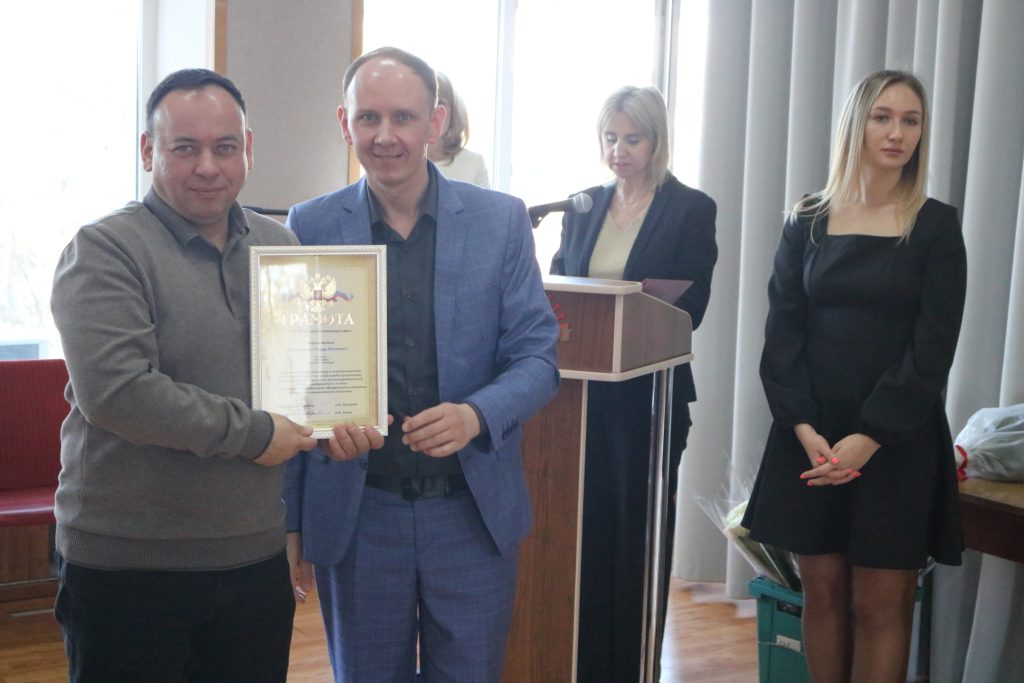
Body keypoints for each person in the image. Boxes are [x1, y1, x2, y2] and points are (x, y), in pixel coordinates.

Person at [284, 47, 560, 682]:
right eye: (369, 118)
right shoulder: (310, 225)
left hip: (469, 513)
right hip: (360, 516)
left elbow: (538, 357)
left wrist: (476, 415)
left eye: (403, 117)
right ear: (345, 123)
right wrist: (295, 513)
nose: (385, 136)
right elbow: (294, 379)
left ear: (436, 122)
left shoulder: (500, 221)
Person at [49, 69, 319, 682]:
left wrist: (337, 421)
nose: (208, 166)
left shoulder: (280, 248)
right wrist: (256, 434)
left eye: (225, 147)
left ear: (248, 149)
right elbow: (119, 394)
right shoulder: (104, 250)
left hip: (253, 556)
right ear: (149, 151)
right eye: (185, 148)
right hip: (129, 567)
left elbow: (304, 377)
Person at [742, 70, 967, 683]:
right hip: (811, 436)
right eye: (882, 117)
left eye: (911, 121)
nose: (897, 133)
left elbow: (933, 349)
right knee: (821, 596)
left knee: (879, 605)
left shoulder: (935, 226)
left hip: (896, 439)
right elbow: (782, 333)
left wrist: (870, 437)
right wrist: (803, 426)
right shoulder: (808, 218)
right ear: (856, 125)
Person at [550, 85, 718, 682]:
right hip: (580, 400)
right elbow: (560, 286)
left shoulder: (690, 208)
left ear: (656, 141)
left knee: (636, 535)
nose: (619, 150)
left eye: (632, 138)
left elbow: (692, 304)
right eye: (610, 137)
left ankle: (633, 663)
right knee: (585, 531)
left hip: (650, 399)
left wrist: (632, 306)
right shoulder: (583, 205)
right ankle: (584, 658)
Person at [426, 71, 490, 187]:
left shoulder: (473, 164)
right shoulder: (399, 162)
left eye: (439, 103)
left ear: (453, 111)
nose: (433, 112)